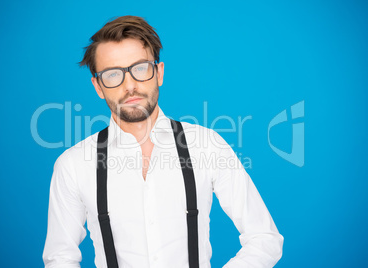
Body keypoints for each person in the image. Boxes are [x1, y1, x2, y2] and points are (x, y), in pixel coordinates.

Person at [42, 15, 283, 268]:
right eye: (113, 75)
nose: (130, 85)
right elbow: (60, 258)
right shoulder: (72, 165)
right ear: (98, 87)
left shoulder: (207, 145)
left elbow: (264, 238)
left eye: (140, 68)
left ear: (159, 73)